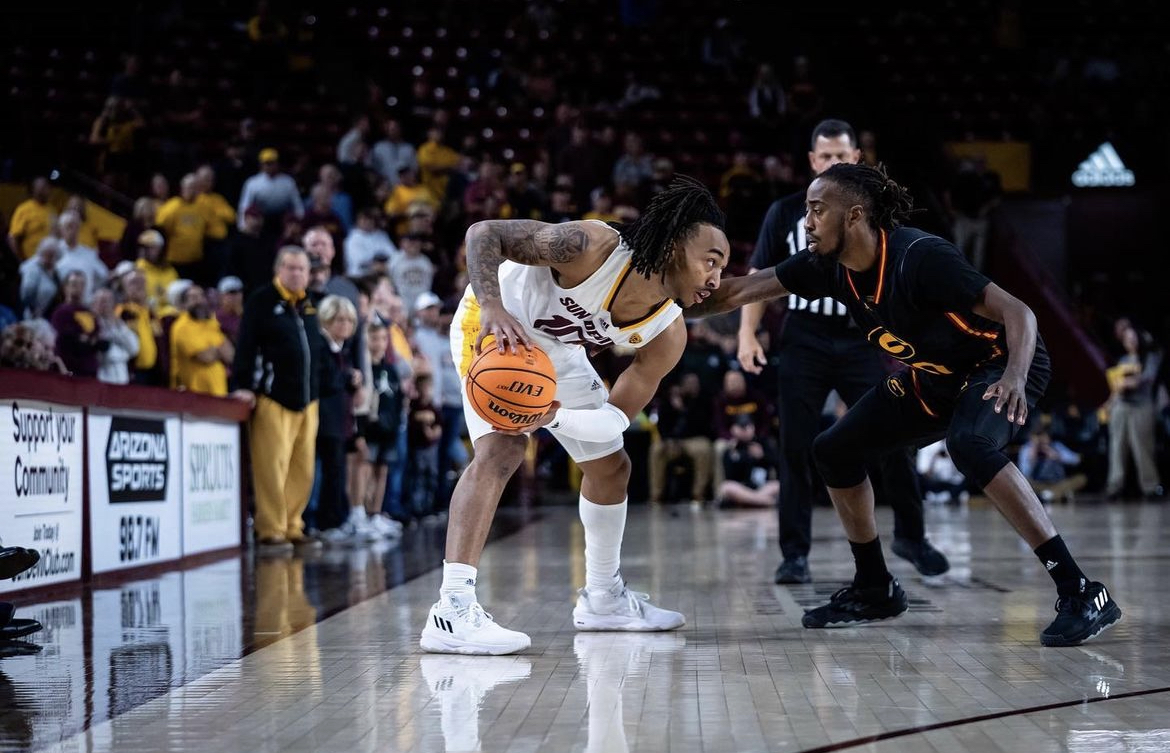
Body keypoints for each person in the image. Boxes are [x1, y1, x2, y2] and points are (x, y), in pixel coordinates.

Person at [693, 162, 1122, 646]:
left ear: (854, 216)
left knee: (971, 444)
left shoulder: (920, 257)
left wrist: (1015, 378)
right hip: (934, 377)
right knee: (834, 450)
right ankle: (875, 586)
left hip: (999, 364)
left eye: (817, 210)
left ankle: (1081, 590)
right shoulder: (827, 267)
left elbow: (1018, 311)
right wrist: (659, 300)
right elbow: (739, 291)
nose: (807, 222)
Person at [421, 176, 729, 655]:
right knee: (502, 449)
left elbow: (615, 419)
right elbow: (485, 233)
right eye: (711, 261)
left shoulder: (668, 335)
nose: (715, 278)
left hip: (556, 353)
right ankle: (452, 609)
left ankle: (603, 599)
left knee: (612, 465)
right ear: (674, 245)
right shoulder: (591, 246)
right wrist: (493, 307)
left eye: (723, 268)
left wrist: (551, 416)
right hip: (498, 326)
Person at [737, 119, 948, 585]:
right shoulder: (788, 211)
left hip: (862, 335)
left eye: (842, 156)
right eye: (825, 157)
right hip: (804, 336)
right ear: (813, 162)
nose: (834, 162)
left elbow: (898, 269)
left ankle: (911, 535)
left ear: (857, 158)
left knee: (895, 434)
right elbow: (759, 275)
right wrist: (747, 334)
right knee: (795, 445)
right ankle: (795, 553)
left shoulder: (870, 214)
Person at [230, 246, 324, 555]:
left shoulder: (308, 305)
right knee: (272, 467)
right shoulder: (262, 300)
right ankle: (270, 529)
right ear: (278, 269)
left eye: (302, 269)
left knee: (303, 469)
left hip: (308, 400)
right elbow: (246, 344)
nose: (297, 273)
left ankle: (293, 525)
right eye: (291, 268)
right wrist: (243, 383)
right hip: (274, 398)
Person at [1103, 320, 1165, 500]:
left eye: (1133, 337)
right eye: (1127, 338)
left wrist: (1129, 382)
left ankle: (1150, 486)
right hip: (1121, 407)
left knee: (1143, 448)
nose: (1130, 341)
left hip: (1142, 407)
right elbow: (1115, 388)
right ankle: (1115, 486)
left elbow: (1147, 378)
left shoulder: (1150, 358)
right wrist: (1109, 404)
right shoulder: (1122, 361)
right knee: (1117, 447)